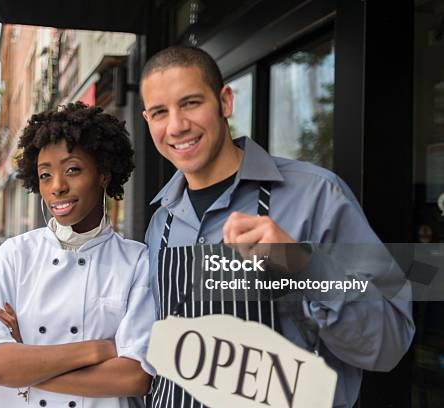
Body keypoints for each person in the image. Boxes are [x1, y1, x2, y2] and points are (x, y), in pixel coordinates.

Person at [140, 46, 414, 408]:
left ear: (224, 101)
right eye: (160, 112)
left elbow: (389, 343)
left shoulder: (317, 195)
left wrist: (302, 265)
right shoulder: (162, 220)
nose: (176, 126)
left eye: (190, 103)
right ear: (148, 121)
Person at [0, 102, 156, 408]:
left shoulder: (136, 262)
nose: (57, 187)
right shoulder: (14, 256)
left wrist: (21, 367)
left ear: (103, 173)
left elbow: (134, 378)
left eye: (73, 170)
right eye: (45, 175)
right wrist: (96, 350)